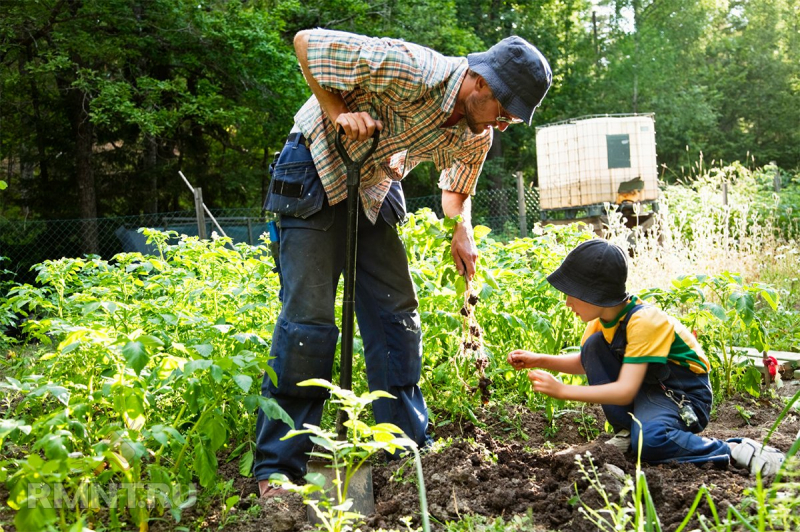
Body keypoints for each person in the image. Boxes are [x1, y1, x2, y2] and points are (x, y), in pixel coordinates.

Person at [255, 29, 553, 497]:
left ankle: (406, 446)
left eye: (514, 117)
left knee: (397, 318)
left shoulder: (475, 135)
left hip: (373, 181)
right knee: (308, 324)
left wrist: (462, 229)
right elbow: (306, 43)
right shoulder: (412, 67)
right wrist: (339, 113)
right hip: (316, 163)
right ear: (480, 82)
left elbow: (456, 190)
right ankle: (279, 467)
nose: (505, 122)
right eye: (505, 109)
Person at [507, 239, 786, 476]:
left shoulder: (644, 320)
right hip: (649, 389)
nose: (568, 303)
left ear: (595, 295)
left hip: (683, 394)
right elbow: (586, 362)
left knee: (652, 443)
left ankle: (734, 450)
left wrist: (563, 391)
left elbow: (625, 389)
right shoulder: (602, 320)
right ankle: (629, 433)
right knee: (592, 347)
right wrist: (539, 359)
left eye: (572, 295)